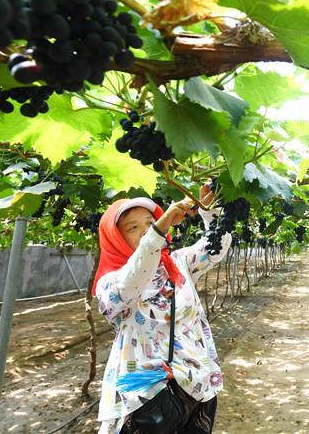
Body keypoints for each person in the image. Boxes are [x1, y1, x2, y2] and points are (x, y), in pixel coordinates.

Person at [94, 183, 232, 434]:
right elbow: (135, 276)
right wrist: (159, 230)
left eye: (150, 223)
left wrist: (209, 210)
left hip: (198, 385)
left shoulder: (178, 263)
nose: (146, 231)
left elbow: (215, 248)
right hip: (149, 396)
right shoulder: (110, 284)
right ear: (116, 239)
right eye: (133, 228)